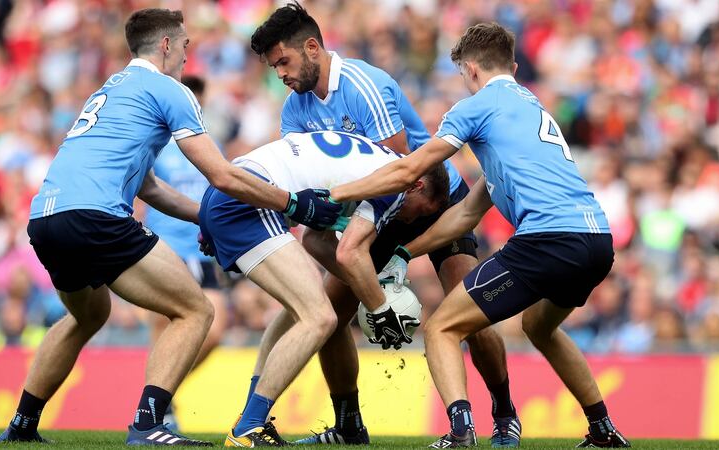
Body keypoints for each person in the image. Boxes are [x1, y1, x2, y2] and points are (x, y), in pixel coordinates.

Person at [0, 8, 343, 446]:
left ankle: (22, 424)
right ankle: (148, 424)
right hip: (96, 217)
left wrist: (206, 219)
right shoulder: (168, 89)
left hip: (46, 217)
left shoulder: (111, 88)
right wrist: (294, 203)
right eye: (184, 46)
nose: (186, 55)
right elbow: (223, 175)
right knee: (196, 311)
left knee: (88, 314)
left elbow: (150, 188)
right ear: (166, 45)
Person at [330, 23, 631, 449]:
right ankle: (602, 428)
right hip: (596, 239)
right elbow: (467, 213)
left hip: (548, 238)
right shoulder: (529, 109)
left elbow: (409, 168)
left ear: (470, 70)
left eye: (462, 75)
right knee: (539, 326)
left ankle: (460, 432)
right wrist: (404, 252)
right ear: (513, 67)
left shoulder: (476, 107)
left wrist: (336, 193)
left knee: (441, 329)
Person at [248, 3, 519, 447]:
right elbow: (302, 181)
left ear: (312, 47)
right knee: (326, 315)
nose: (280, 74)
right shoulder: (295, 110)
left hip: (430, 197)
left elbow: (395, 171)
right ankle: (349, 425)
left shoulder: (363, 85)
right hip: (372, 210)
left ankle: (504, 413)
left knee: (469, 310)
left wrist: (375, 277)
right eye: (274, 66)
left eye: (283, 61)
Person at [198, 131, 448, 447]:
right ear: (418, 186)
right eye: (421, 211)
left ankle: (249, 419)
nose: (410, 220)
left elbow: (317, 241)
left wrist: (367, 286)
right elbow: (350, 253)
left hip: (232, 191)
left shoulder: (369, 167)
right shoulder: (398, 181)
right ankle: (248, 427)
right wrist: (382, 308)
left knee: (302, 312)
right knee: (320, 318)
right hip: (249, 199)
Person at [142, 75, 228, 430]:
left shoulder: (211, 144)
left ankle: (162, 393)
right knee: (163, 329)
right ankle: (156, 409)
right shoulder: (158, 144)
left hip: (202, 251)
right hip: (165, 248)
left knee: (216, 330)